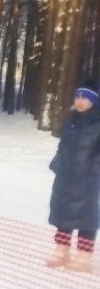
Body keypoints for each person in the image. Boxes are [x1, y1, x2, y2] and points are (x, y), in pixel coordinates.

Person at [47, 84, 100, 272]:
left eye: (85, 97)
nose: (79, 100)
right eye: (77, 96)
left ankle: (84, 257)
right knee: (62, 212)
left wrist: (91, 168)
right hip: (66, 175)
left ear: (94, 100)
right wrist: (58, 162)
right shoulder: (71, 119)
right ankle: (61, 250)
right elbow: (63, 145)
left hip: (87, 179)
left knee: (86, 217)